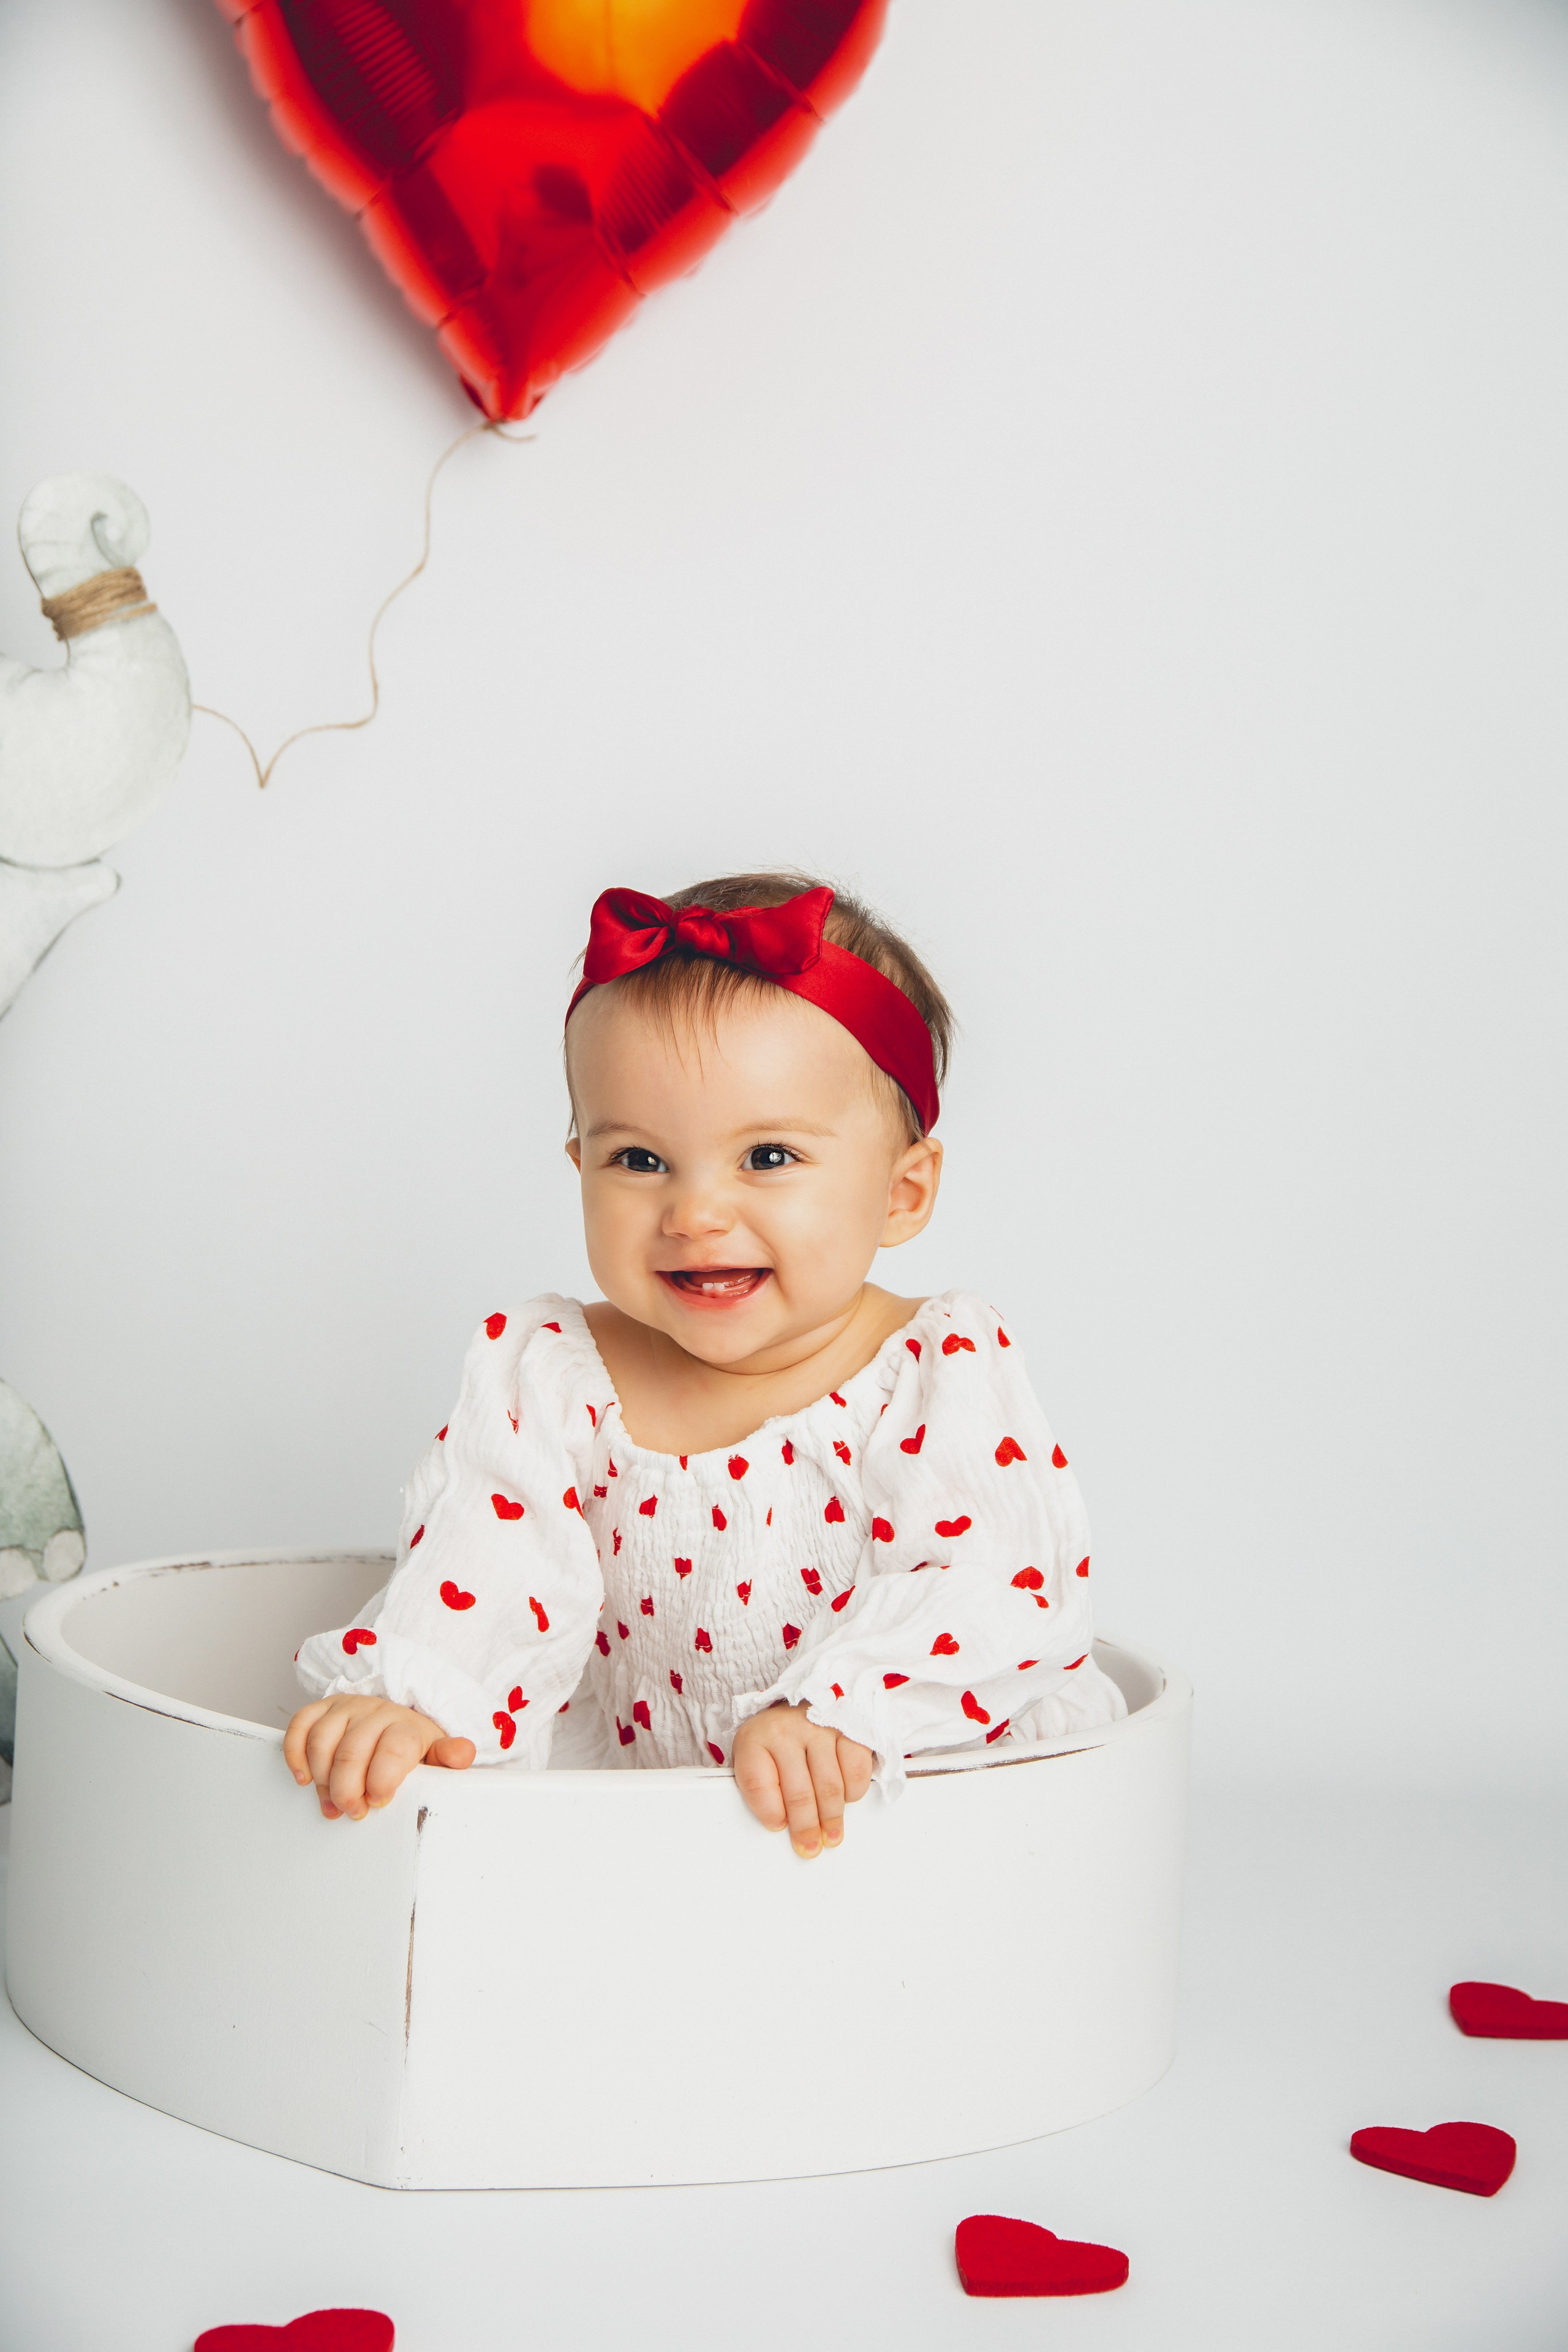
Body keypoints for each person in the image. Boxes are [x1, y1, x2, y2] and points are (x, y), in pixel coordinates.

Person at [284, 873, 1125, 1857]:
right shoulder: (556, 1376)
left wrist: (840, 1711)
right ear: (579, 1167)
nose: (695, 1214)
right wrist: (422, 1698)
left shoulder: (933, 1371)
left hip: (908, 1820)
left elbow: (994, 1588)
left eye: (767, 1157)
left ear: (902, 1193)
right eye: (639, 1160)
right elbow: (489, 1563)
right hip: (662, 1835)